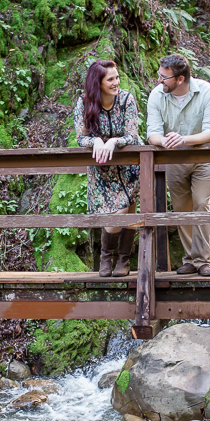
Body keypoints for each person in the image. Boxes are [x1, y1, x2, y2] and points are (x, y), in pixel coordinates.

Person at [146, 53, 210, 277]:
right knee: (181, 209)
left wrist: (184, 139)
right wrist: (164, 141)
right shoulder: (157, 96)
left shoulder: (206, 92)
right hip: (174, 159)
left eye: (164, 77)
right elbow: (152, 133)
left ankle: (203, 260)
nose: (159, 80)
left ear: (180, 79)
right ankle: (190, 259)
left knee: (200, 204)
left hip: (203, 158)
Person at [74, 60, 144, 277]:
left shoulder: (126, 99)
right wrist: (95, 141)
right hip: (102, 168)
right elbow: (80, 138)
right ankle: (107, 256)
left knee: (128, 209)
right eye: (110, 79)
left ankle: (122, 259)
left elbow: (132, 134)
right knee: (113, 217)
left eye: (117, 77)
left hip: (128, 165)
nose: (116, 82)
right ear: (98, 83)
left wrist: (114, 141)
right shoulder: (84, 102)